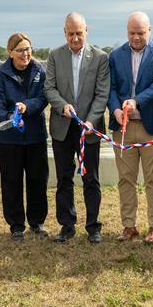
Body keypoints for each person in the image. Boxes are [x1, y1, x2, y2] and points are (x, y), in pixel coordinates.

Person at [108, 12, 153, 244]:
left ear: (149, 30)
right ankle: (129, 226)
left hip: (152, 126)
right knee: (125, 179)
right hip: (123, 128)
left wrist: (136, 101)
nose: (136, 37)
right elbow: (111, 88)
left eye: (141, 33)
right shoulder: (115, 55)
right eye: (132, 33)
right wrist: (115, 109)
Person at [44, 13, 110, 244]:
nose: (74, 38)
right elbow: (49, 88)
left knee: (91, 178)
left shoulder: (100, 58)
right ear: (64, 32)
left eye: (79, 33)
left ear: (86, 31)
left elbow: (102, 94)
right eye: (70, 33)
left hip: (89, 129)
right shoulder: (54, 56)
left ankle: (93, 226)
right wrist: (62, 106)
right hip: (62, 127)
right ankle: (67, 225)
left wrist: (91, 120)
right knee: (64, 178)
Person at [0, 32, 50, 243]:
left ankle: (37, 222)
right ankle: (16, 225)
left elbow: (43, 97)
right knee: (11, 181)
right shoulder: (0, 75)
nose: (25, 54)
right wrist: (10, 118)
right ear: (10, 52)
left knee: (37, 180)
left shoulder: (39, 71)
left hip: (35, 137)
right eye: (20, 50)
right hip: (9, 140)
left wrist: (27, 107)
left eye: (28, 49)